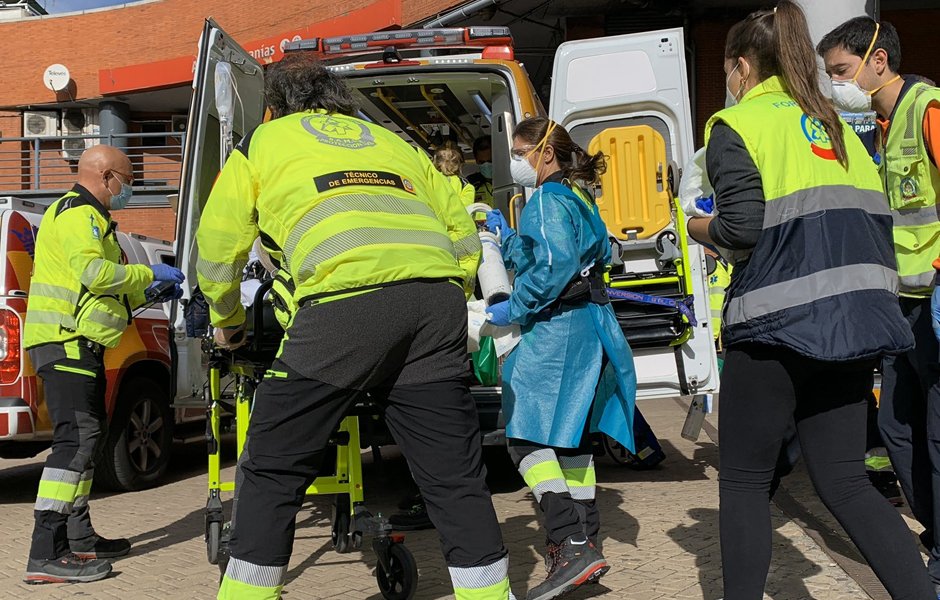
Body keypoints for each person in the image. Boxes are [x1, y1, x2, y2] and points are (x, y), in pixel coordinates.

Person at [196, 55, 511, 600]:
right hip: (434, 304)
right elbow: (462, 231)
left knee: (272, 465)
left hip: (346, 304)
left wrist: (228, 323)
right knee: (453, 476)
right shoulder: (393, 143)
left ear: (276, 106)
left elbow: (218, 249)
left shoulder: (264, 143)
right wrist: (444, 294)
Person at [684, 4, 932, 599]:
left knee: (743, 482)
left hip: (773, 327)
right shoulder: (838, 127)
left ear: (742, 67)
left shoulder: (737, 124)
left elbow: (741, 228)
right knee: (845, 482)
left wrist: (698, 229)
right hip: (853, 326)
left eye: (728, 70)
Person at [820, 18, 940, 600]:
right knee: (899, 427)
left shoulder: (933, 110)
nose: (836, 85)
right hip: (909, 305)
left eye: (842, 72)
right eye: (830, 76)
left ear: (879, 62)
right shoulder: (880, 125)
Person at [482, 117, 637, 600]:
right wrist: (506, 236)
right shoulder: (576, 196)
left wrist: (514, 306)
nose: (517, 160)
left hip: (556, 329)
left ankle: (570, 544)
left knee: (524, 438)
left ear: (545, 153)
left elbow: (550, 266)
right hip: (589, 324)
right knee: (569, 439)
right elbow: (551, 252)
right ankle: (586, 539)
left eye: (521, 150)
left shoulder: (547, 200)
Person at [22, 144, 185, 584]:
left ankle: (79, 539)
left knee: (85, 441)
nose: (128, 189)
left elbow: (103, 288)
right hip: (66, 342)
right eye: (127, 180)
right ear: (107, 175)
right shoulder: (79, 213)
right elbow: (93, 273)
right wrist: (150, 274)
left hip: (76, 342)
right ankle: (45, 551)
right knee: (75, 442)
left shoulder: (92, 219)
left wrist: (147, 293)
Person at [434, 140, 476, 207]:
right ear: (461, 164)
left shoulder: (429, 180)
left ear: (435, 162)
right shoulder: (466, 187)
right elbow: (466, 211)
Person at [467, 135, 495, 204]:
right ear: (476, 160)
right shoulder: (470, 184)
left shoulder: (509, 180)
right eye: (482, 162)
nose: (486, 165)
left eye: (490, 161)